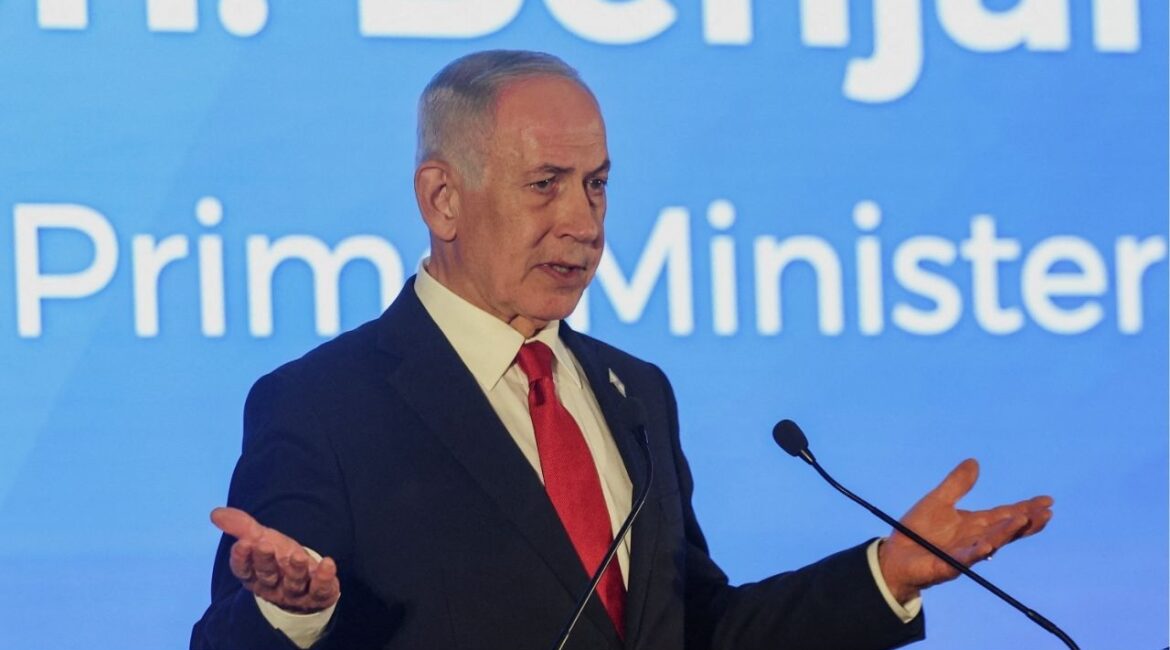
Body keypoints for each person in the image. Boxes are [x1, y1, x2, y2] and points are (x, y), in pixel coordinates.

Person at [191, 50, 1053, 650]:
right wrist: (290, 615)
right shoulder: (325, 404)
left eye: (597, 185)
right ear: (443, 198)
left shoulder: (634, 392)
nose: (584, 223)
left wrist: (886, 574)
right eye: (545, 186)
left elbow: (693, 629)